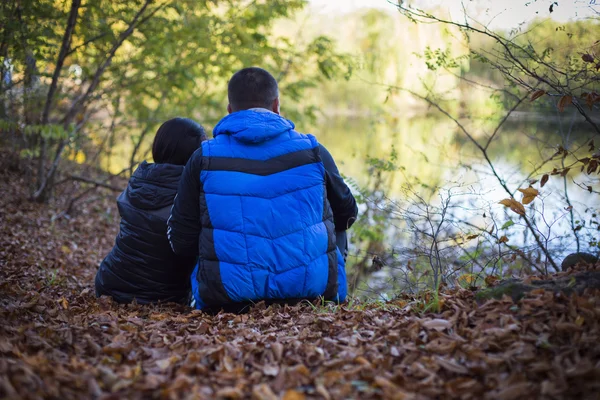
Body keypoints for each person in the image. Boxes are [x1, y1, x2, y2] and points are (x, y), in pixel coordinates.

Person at [168, 67, 358, 312]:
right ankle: (333, 301)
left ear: (230, 109)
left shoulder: (203, 157)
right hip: (311, 296)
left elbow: (181, 239)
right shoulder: (313, 151)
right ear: (277, 104)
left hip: (225, 302)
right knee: (340, 216)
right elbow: (348, 213)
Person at [95, 117, 207, 304]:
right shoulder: (195, 193)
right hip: (163, 298)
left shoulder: (139, 181)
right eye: (204, 147)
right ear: (194, 153)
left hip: (108, 284)